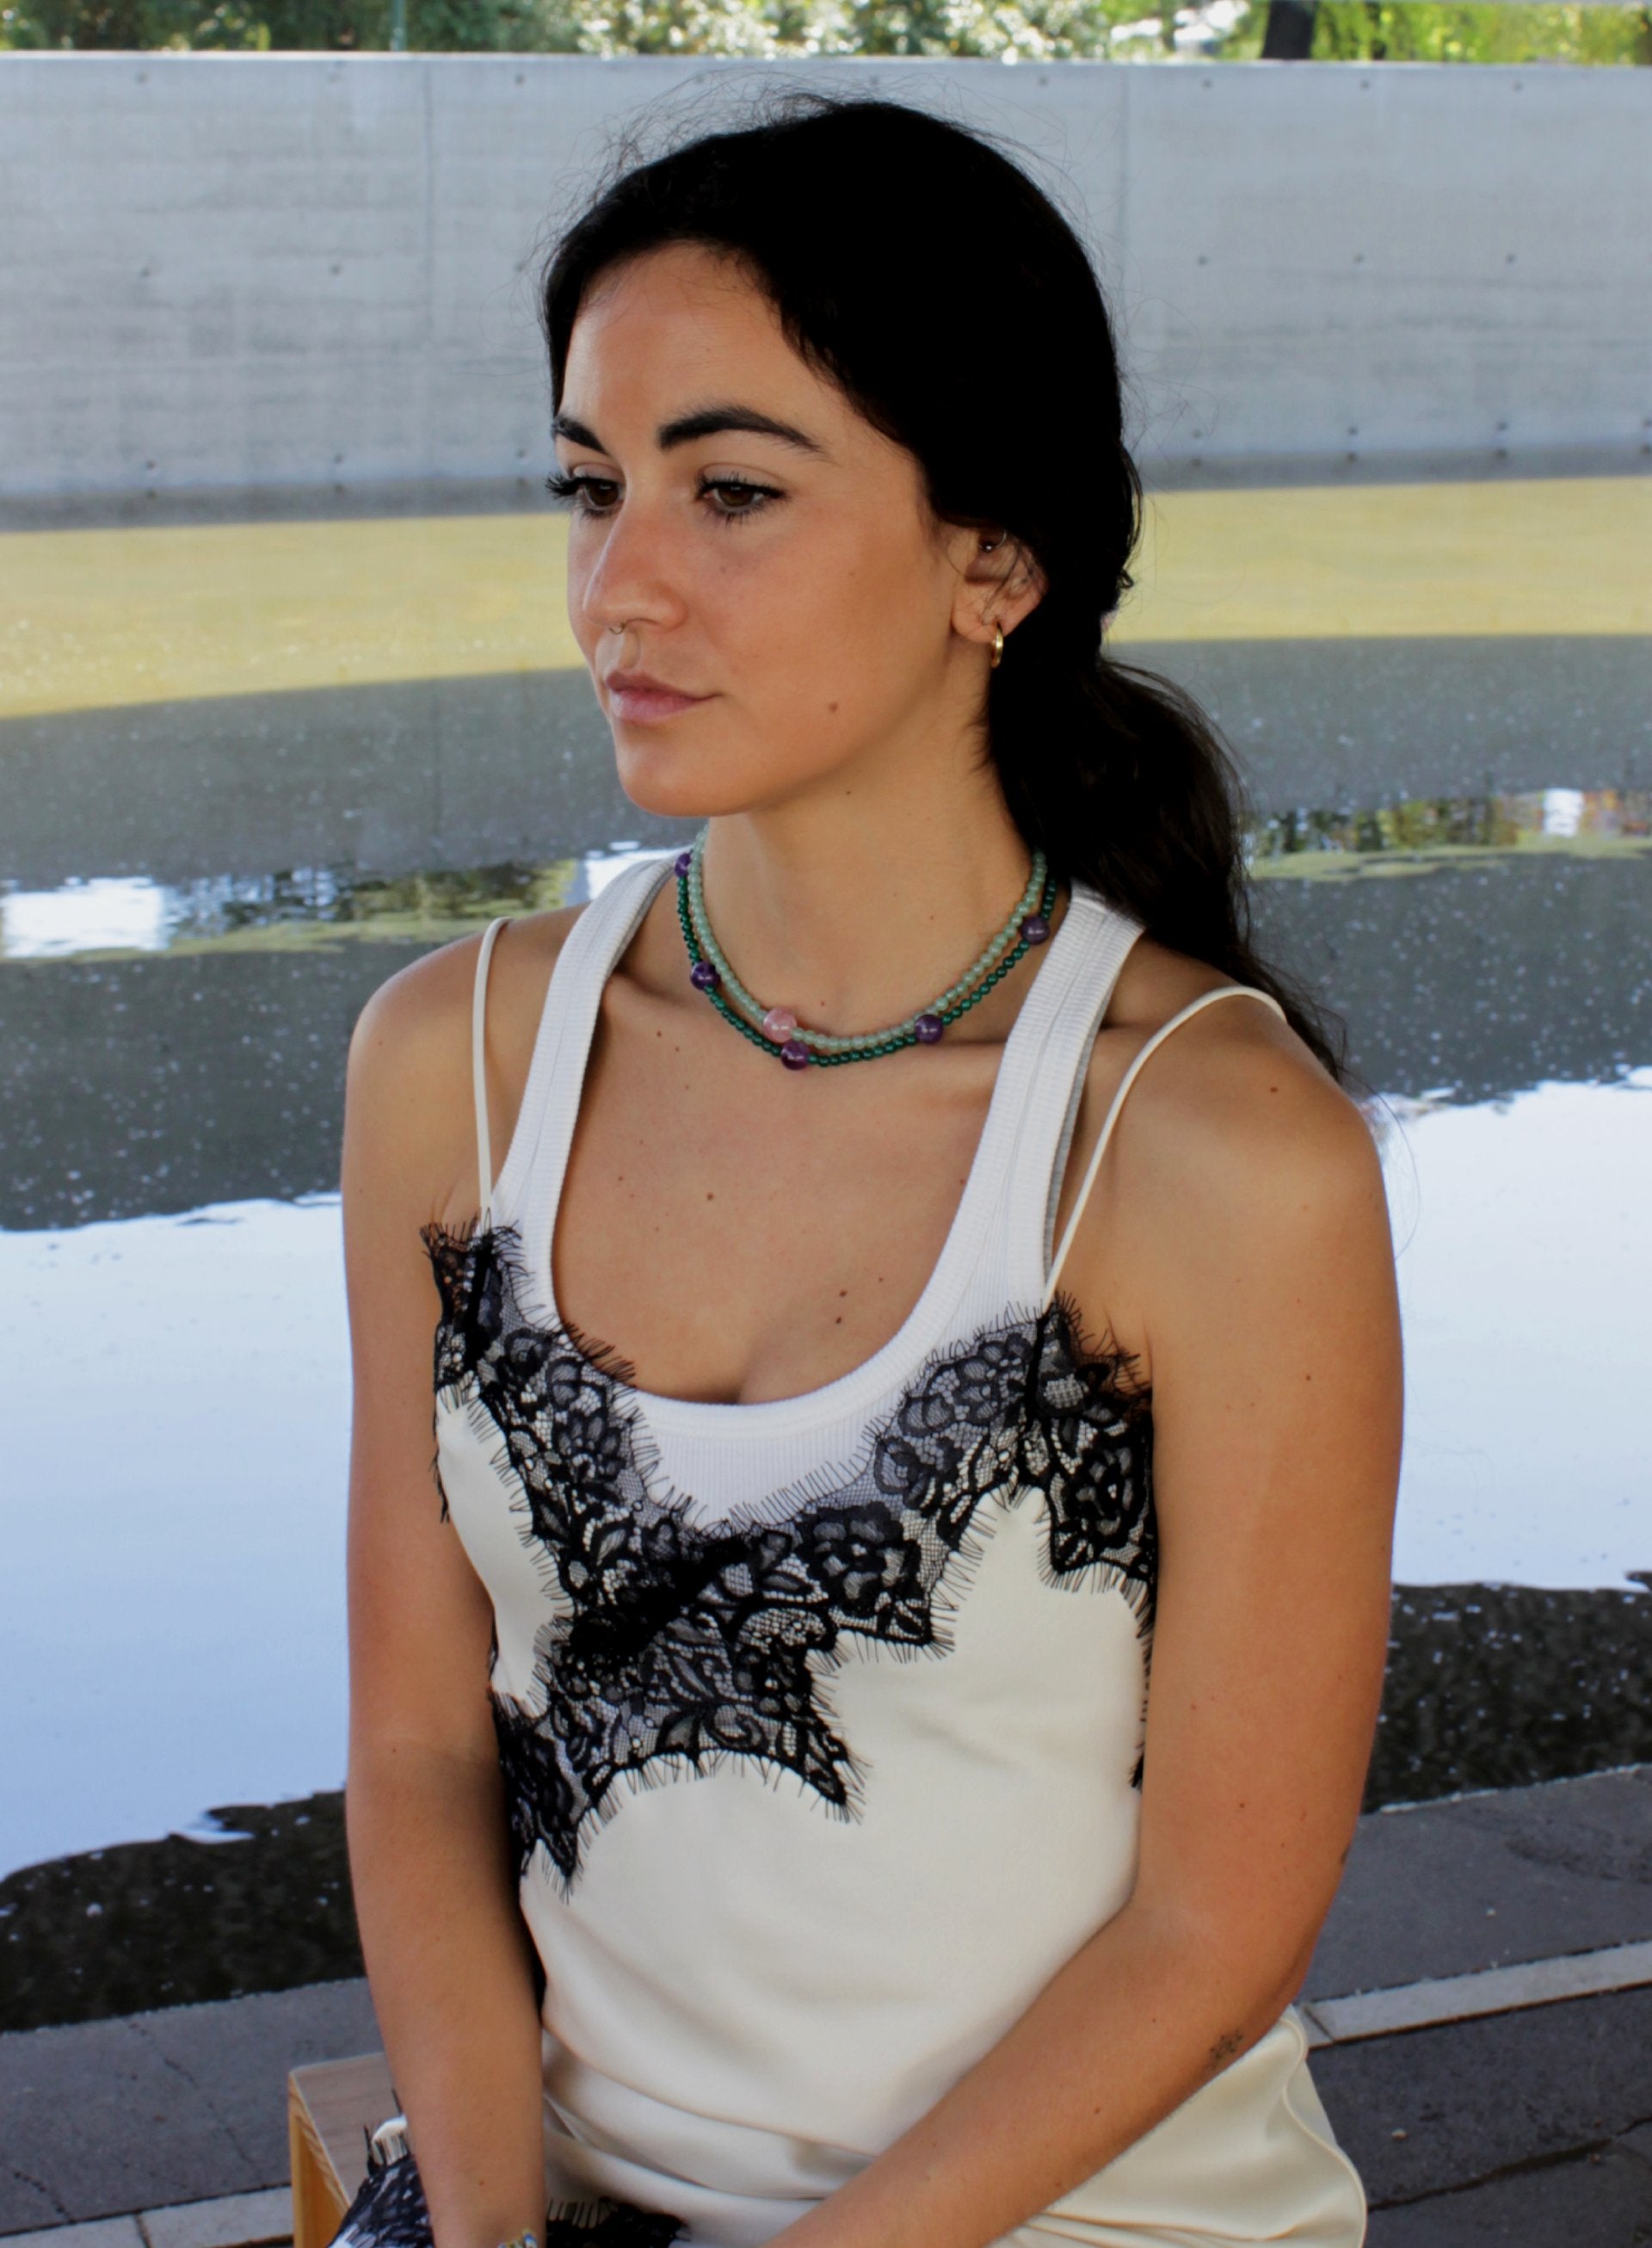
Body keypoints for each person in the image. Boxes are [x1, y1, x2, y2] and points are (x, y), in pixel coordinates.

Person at [337, 92, 1401, 2248]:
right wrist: (482, 2228)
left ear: (994, 557)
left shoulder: (1206, 1148)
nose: (620, 585)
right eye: (589, 486)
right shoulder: (455, 1062)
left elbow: (1214, 1934)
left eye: (730, 489)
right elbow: (422, 1747)